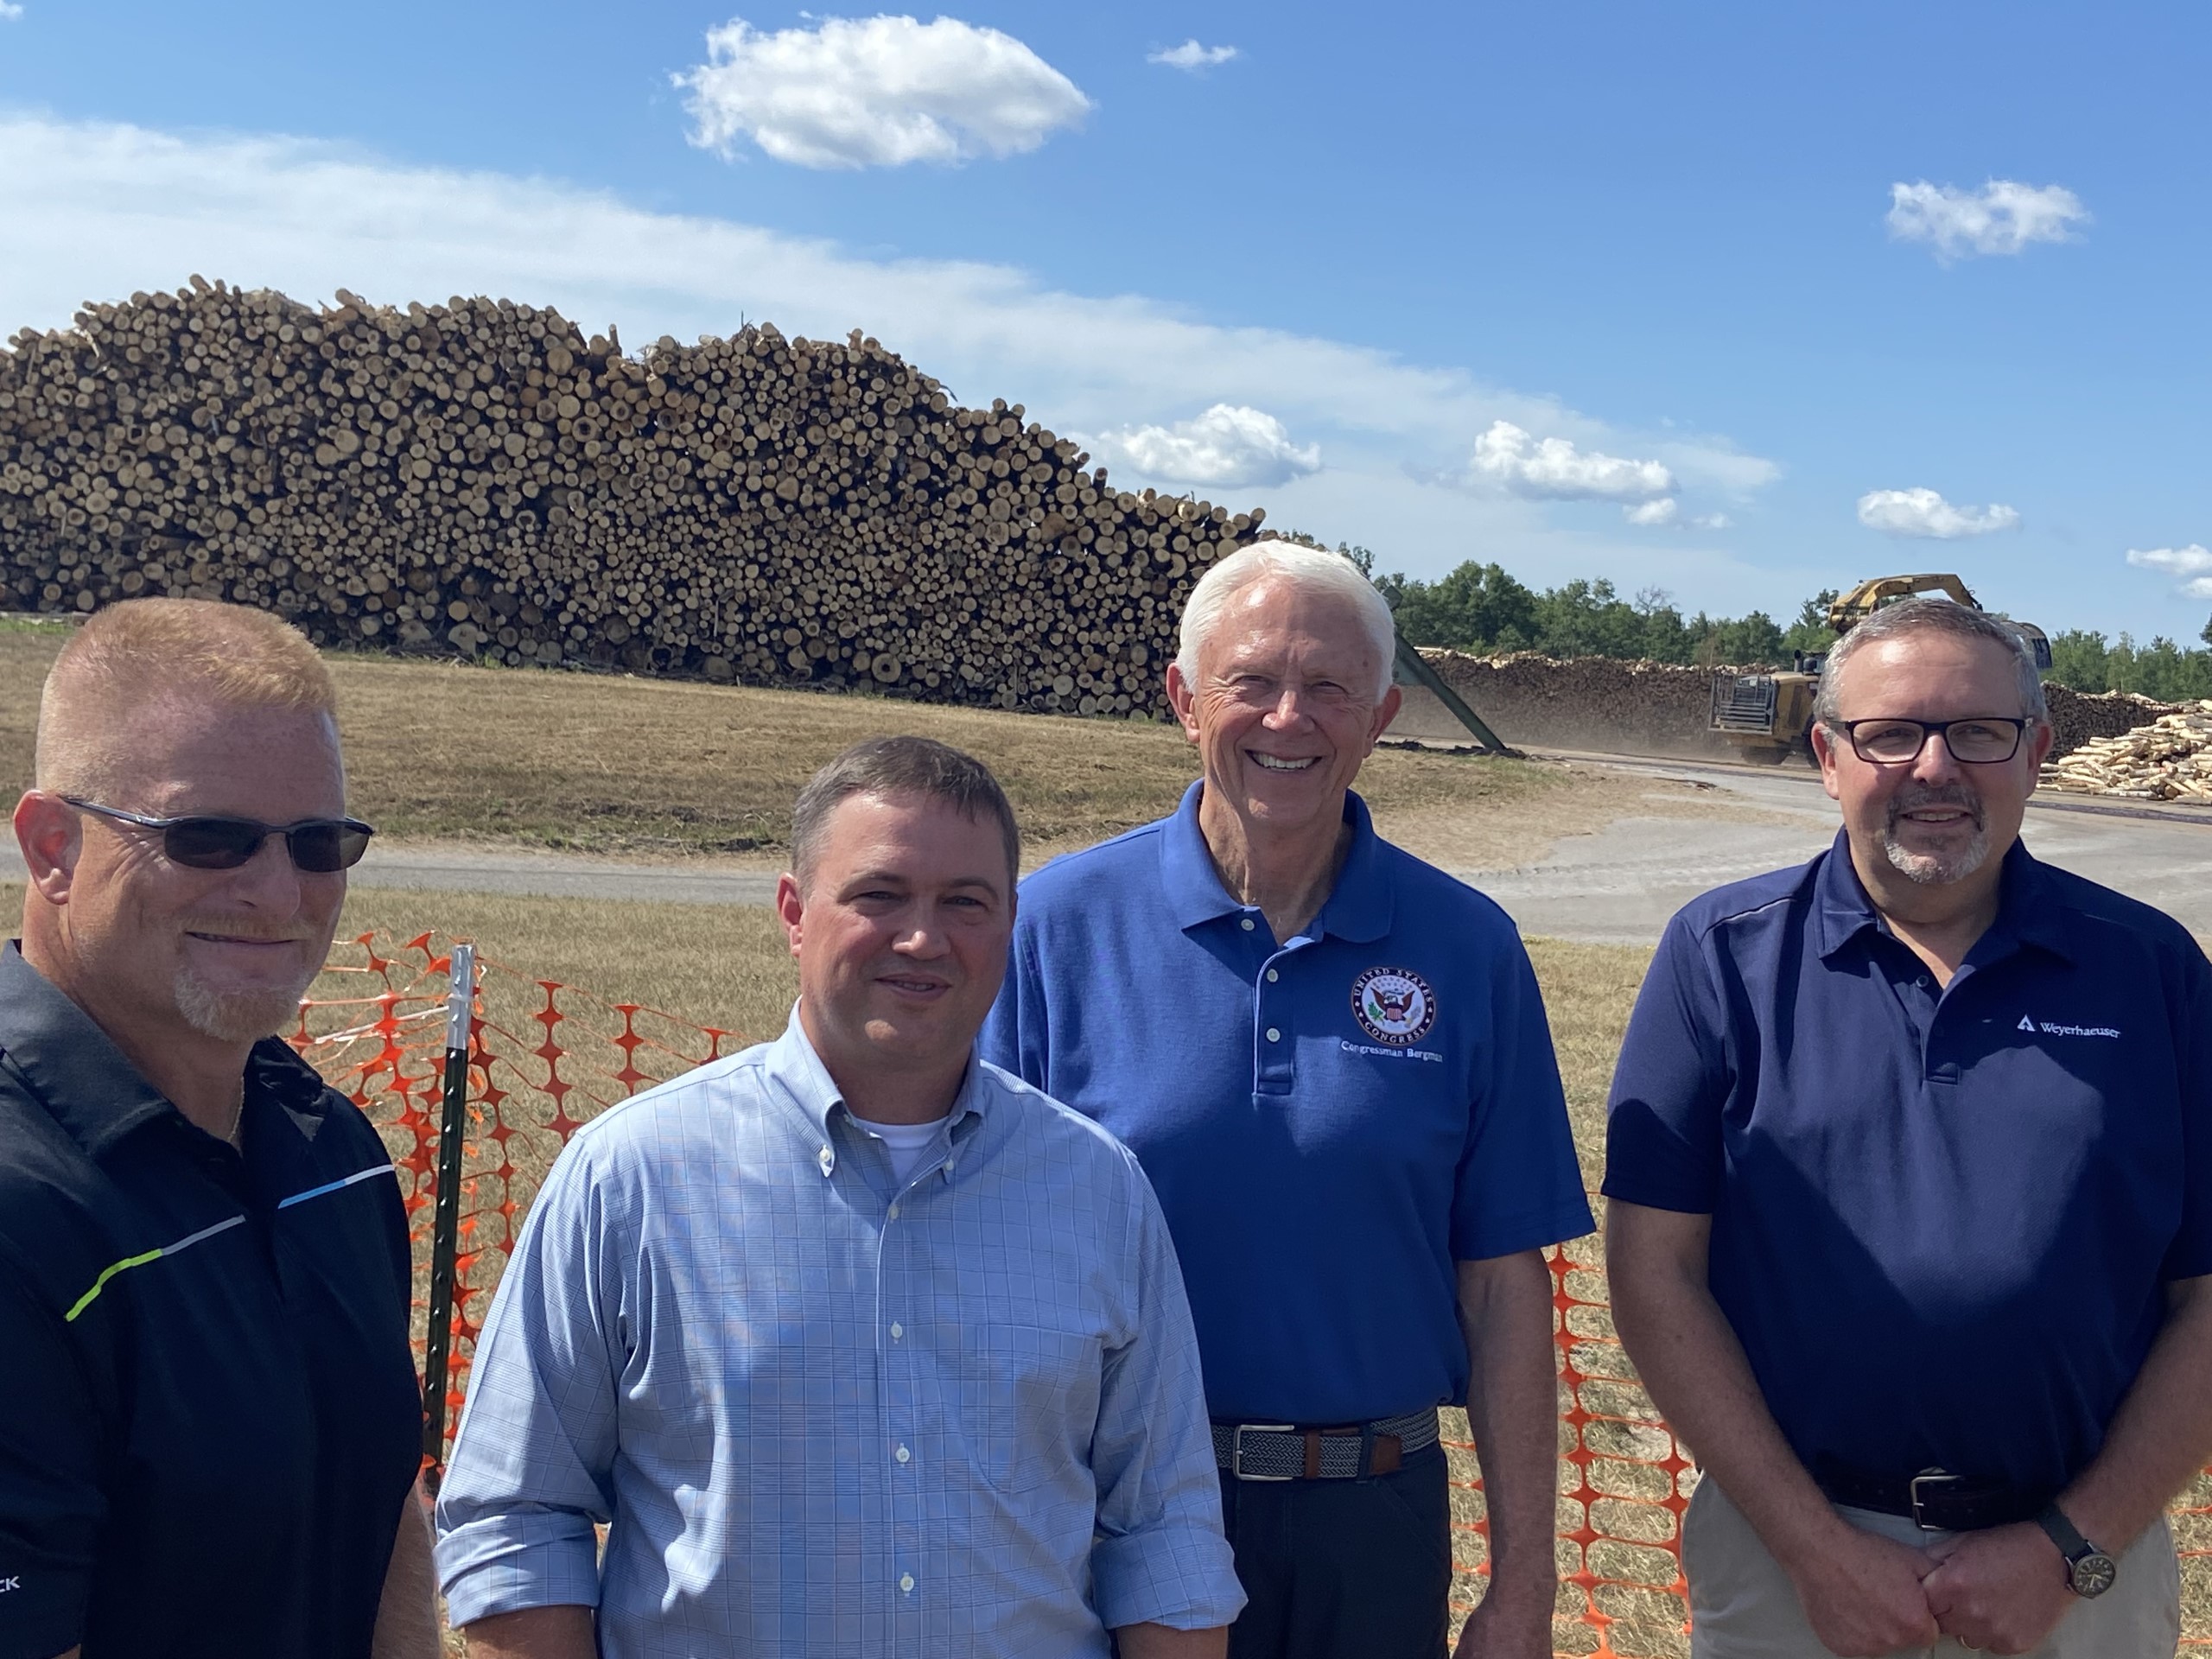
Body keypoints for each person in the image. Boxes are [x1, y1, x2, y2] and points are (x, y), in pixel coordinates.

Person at [435, 735, 1243, 1657]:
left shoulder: (1098, 1191)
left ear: (1010, 921)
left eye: (964, 904)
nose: (922, 938)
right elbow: (515, 1517)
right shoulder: (631, 1176)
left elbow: (1164, 1535)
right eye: (879, 894)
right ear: (793, 910)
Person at [982, 539, 1593, 1659]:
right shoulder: (1053, 929)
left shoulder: (1467, 949)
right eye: (1252, 681)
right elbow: (975, 1245)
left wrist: (1525, 1588)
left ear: (1381, 715)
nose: (1288, 717)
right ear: (1183, 699)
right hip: (1120, 1508)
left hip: (1376, 1519)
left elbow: (1503, 1289)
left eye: (1328, 688)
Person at [1604, 596, 2212, 1657]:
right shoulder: (1720, 958)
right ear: (1828, 756)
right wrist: (1812, 1551)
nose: (1934, 767)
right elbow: (1655, 1274)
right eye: (1890, 733)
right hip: (1790, 1563)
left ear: (2036, 752)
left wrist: (2072, 1546)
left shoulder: (2153, 972)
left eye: (1977, 731)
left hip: (2078, 1578)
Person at [0, 598, 437, 1659]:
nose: (277, 890)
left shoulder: (332, 1151)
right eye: (209, 838)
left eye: (319, 842)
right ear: (53, 847)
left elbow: (383, 1507)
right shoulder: (20, 1211)